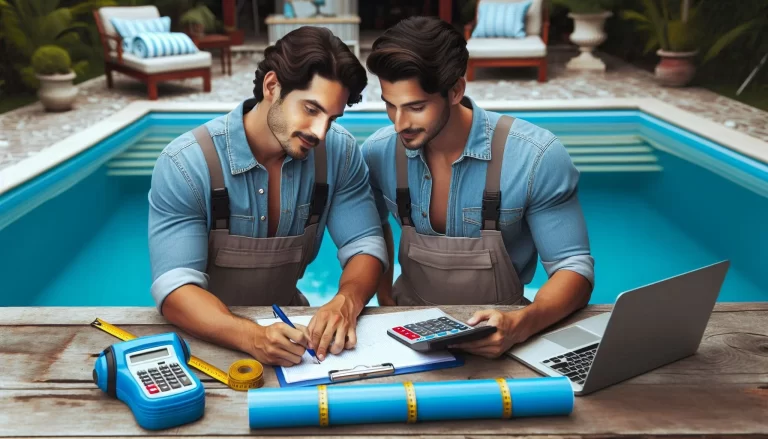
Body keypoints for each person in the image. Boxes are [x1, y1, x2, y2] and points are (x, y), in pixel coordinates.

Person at [147, 27, 387, 367]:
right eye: (311, 109)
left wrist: (346, 301)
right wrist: (252, 337)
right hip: (204, 342)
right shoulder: (186, 163)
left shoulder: (339, 153)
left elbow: (365, 245)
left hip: (294, 340)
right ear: (272, 86)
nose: (320, 132)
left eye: (331, 119)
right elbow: (175, 289)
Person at [361, 16, 595, 359]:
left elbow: (573, 267)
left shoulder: (535, 157)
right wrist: (385, 301)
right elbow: (372, 233)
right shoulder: (378, 153)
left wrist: (521, 325)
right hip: (408, 332)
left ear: (456, 90)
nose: (399, 123)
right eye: (389, 104)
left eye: (415, 107)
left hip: (505, 335)